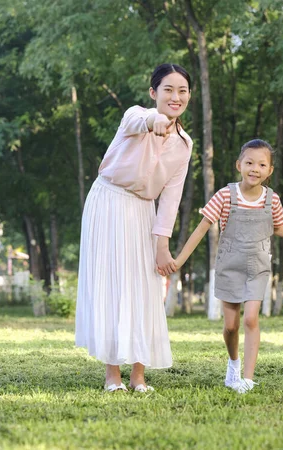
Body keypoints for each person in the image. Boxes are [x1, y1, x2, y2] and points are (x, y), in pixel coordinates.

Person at [75, 63, 193, 392]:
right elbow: (140, 120)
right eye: (168, 89)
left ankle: (138, 375)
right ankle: (112, 374)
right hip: (108, 201)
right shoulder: (136, 115)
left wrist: (162, 245)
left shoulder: (184, 144)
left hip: (144, 209)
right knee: (112, 284)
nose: (176, 96)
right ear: (153, 93)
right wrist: (157, 121)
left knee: (146, 287)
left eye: (182, 91)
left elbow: (171, 199)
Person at [172, 139, 283, 393]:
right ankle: (233, 363)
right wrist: (179, 261)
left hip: (258, 268)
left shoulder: (272, 200)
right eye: (249, 163)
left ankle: (247, 379)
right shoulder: (225, 195)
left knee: (251, 318)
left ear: (270, 170)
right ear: (239, 165)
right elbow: (202, 228)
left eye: (261, 164)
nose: (254, 169)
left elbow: (279, 228)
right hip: (229, 267)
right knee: (231, 326)